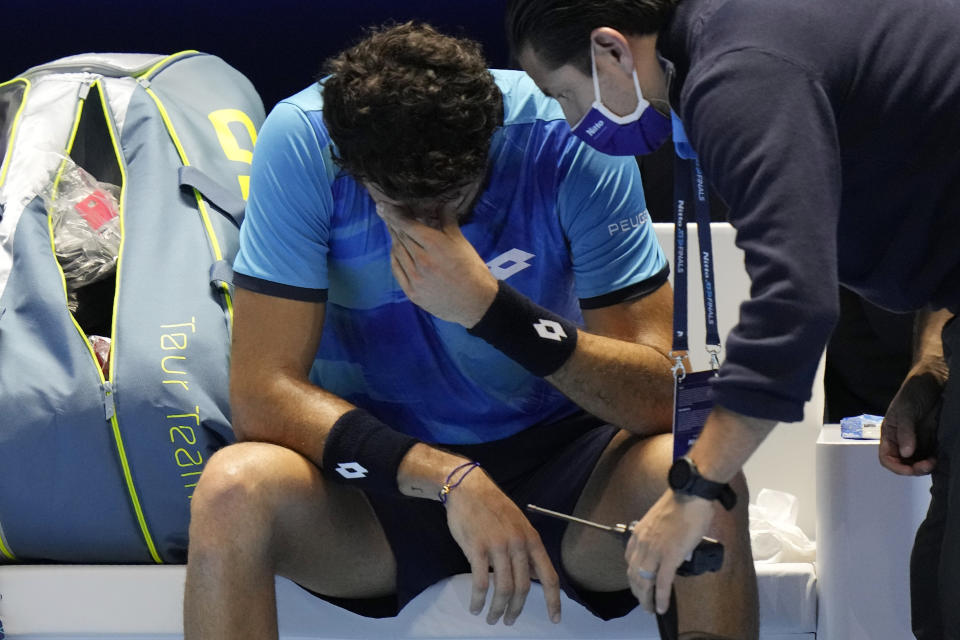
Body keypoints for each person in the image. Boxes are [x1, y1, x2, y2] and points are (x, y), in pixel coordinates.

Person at [182, 21, 757, 640]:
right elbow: (260, 395)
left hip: (567, 474)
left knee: (704, 472)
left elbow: (663, 397)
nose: (431, 226)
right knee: (230, 490)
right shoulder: (301, 142)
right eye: (401, 203)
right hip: (381, 484)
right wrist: (447, 477)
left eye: (454, 198)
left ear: (489, 146)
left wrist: (490, 310)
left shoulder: (563, 136)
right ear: (350, 166)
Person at [506, 0, 960, 636]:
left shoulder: (738, 74)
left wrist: (694, 490)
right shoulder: (735, 33)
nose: (571, 119)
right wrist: (938, 361)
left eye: (564, 94)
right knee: (941, 598)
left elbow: (794, 304)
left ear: (610, 50)